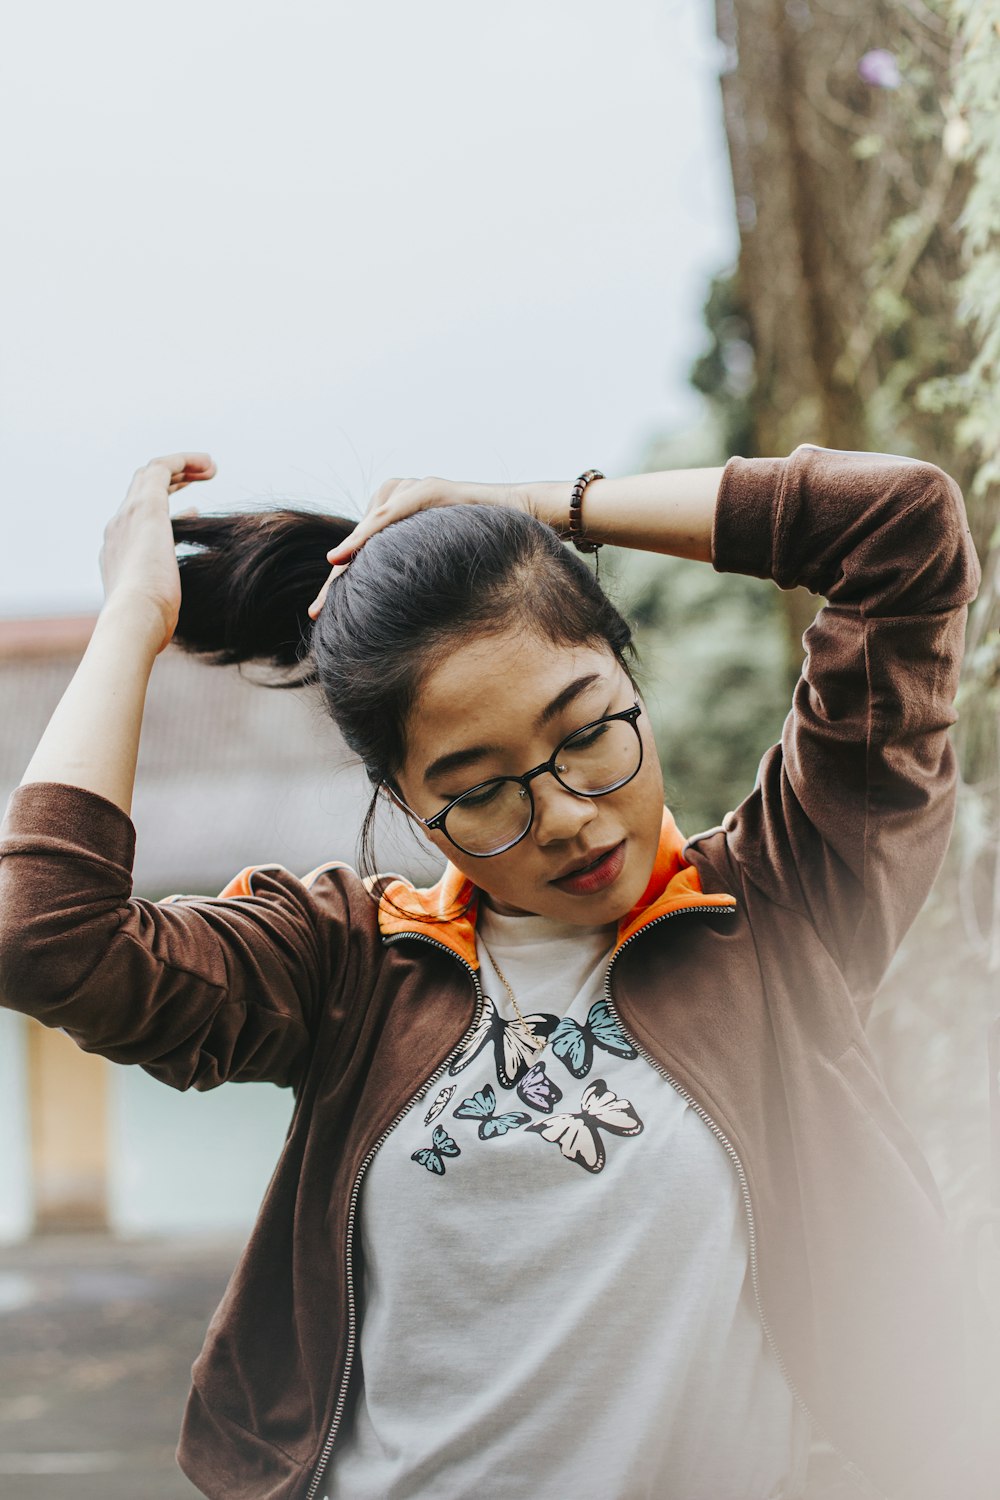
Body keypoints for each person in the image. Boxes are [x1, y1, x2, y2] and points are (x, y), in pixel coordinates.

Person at [0, 445, 986, 1500]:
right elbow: (47, 937)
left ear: (629, 672)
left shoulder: (785, 908)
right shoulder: (349, 963)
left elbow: (900, 530)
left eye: (587, 731)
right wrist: (133, 617)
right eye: (479, 792)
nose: (566, 816)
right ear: (404, 801)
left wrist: (535, 509)